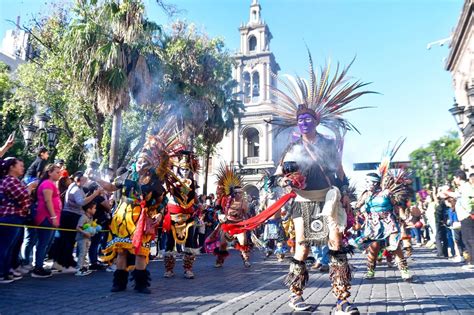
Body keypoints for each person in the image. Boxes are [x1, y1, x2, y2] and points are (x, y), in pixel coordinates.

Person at [102, 135, 167, 293]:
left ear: (150, 165)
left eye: (145, 162)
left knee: (140, 252)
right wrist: (96, 179)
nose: (141, 164)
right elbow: (111, 187)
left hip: (141, 219)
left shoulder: (154, 182)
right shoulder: (126, 176)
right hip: (123, 217)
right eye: (139, 161)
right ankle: (119, 283)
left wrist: (159, 214)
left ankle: (141, 285)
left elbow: (162, 201)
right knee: (122, 250)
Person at [355, 172, 412, 282]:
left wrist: (403, 217)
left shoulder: (387, 193)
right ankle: (370, 270)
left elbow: (397, 206)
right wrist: (356, 214)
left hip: (389, 222)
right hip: (373, 224)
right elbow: (357, 207)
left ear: (375, 183)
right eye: (366, 182)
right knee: (374, 247)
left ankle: (404, 271)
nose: (366, 184)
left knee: (394, 245)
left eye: (368, 182)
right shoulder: (366, 195)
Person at [52, 171, 102, 272]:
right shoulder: (75, 189)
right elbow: (81, 202)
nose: (85, 181)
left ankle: (65, 262)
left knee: (68, 241)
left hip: (71, 216)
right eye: (84, 179)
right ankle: (63, 264)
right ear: (78, 180)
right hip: (70, 216)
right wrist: (95, 195)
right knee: (68, 241)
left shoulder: (77, 188)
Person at [162, 149, 200, 279]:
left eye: (187, 169)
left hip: (188, 216)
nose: (185, 171)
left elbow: (194, 199)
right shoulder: (170, 183)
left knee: (190, 242)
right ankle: (169, 269)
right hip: (172, 216)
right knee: (169, 242)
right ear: (178, 169)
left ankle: (188, 269)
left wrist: (198, 203)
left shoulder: (193, 184)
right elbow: (164, 196)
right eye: (182, 169)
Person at [213, 165, 251, 268]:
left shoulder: (243, 201)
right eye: (237, 193)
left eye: (241, 192)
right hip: (228, 224)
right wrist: (220, 214)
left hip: (239, 225)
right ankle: (219, 260)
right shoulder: (226, 200)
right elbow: (217, 208)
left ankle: (246, 260)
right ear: (233, 193)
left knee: (243, 242)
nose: (239, 194)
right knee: (223, 244)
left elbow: (246, 213)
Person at [0, 157, 31, 283]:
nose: (22, 168)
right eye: (20, 165)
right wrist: (29, 188)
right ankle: (2, 273)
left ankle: (6, 271)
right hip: (11, 217)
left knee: (9, 247)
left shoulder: (9, 180)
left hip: (12, 217)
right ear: (11, 167)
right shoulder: (11, 181)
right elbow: (23, 196)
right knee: (5, 247)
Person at [31, 164, 62, 278]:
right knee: (43, 243)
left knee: (47, 243)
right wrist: (53, 217)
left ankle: (40, 266)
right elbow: (48, 201)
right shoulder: (47, 184)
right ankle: (38, 268)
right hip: (46, 218)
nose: (59, 174)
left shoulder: (51, 184)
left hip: (50, 218)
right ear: (50, 172)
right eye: (57, 172)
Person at [449, 170, 474, 270]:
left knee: (470, 239)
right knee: (467, 239)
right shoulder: (463, 187)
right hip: (465, 216)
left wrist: (470, 209)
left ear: (458, 177)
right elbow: (457, 195)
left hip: (468, 215)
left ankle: (472, 262)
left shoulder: (466, 186)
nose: (454, 180)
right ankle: (471, 261)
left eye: (454, 178)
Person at [75, 202, 97, 276]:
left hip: (87, 238)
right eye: (94, 208)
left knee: (85, 253)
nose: (95, 210)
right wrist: (85, 233)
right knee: (82, 253)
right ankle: (79, 269)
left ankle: (83, 267)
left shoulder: (90, 217)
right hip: (82, 238)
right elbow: (78, 227)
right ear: (88, 209)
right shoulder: (83, 217)